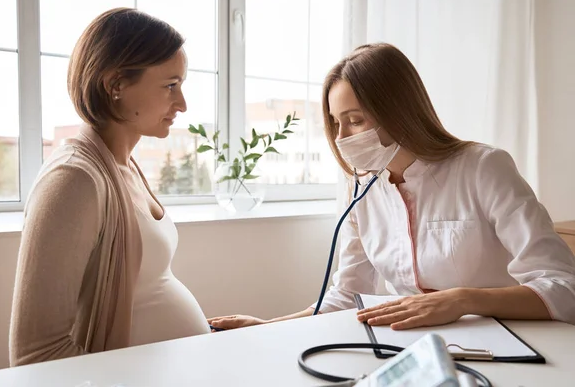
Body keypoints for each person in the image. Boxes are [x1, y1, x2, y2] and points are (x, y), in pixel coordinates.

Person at [208, 42, 575, 332]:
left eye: (355, 120)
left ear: (400, 110)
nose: (341, 137)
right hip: (412, 346)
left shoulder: (483, 168)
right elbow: (347, 297)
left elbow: (563, 288)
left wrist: (464, 300)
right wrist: (267, 328)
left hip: (507, 341)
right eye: (336, 123)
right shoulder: (363, 190)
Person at [9, 8, 210, 366]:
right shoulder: (74, 179)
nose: (182, 103)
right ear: (116, 85)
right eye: (170, 85)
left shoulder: (124, 164)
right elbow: (35, 354)